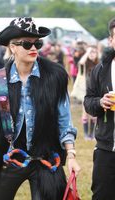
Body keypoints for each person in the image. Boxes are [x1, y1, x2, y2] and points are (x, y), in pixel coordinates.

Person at [0, 17, 80, 200]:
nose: (33, 48)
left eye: (36, 43)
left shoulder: (54, 77)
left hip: (45, 159)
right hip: (9, 157)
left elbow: (64, 121)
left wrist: (70, 155)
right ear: (12, 47)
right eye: (26, 44)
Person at [84, 17, 115, 200]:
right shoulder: (100, 70)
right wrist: (99, 103)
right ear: (111, 40)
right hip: (106, 148)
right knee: (102, 195)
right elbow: (89, 101)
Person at [79, 45, 99, 140]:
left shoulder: (99, 64)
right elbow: (81, 62)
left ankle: (93, 134)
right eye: (90, 52)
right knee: (85, 112)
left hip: (96, 92)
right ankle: (86, 134)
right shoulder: (85, 64)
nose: (92, 54)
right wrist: (88, 52)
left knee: (94, 113)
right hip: (85, 91)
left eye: (94, 52)